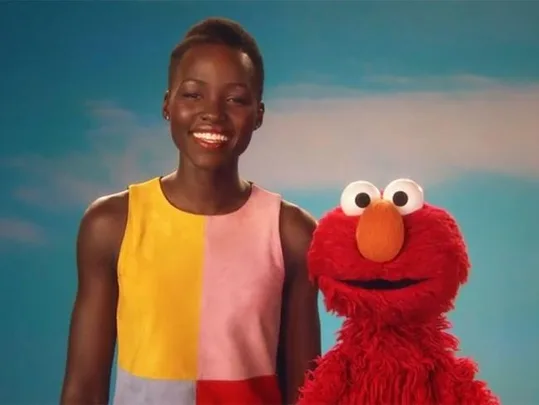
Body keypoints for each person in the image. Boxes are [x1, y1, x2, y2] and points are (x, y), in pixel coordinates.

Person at [60, 16, 321, 405]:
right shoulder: (112, 224)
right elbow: (83, 388)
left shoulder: (292, 233)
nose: (212, 113)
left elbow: (307, 394)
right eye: (193, 94)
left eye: (235, 99)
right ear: (168, 104)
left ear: (259, 114)